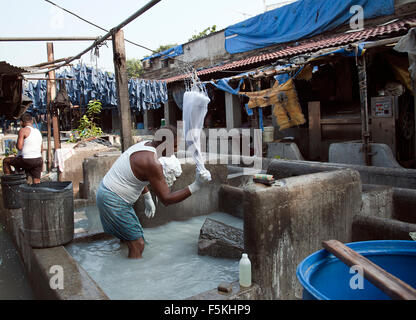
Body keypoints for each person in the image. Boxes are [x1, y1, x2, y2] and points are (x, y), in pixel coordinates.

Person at [96, 125, 211, 259]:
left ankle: (123, 264)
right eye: (174, 146)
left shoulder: (145, 146)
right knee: (138, 244)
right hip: (113, 200)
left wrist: (147, 196)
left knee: (128, 238)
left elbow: (137, 176)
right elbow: (166, 199)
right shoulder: (152, 162)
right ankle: (135, 276)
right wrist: (196, 185)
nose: (176, 149)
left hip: (107, 193)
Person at [3, 113, 43, 184]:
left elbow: (19, 147)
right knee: (37, 182)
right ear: (32, 121)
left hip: (27, 160)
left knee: (6, 161)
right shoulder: (38, 132)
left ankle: (10, 184)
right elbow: (41, 150)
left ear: (21, 122)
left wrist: (16, 144)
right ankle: (37, 191)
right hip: (39, 160)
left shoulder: (23, 130)